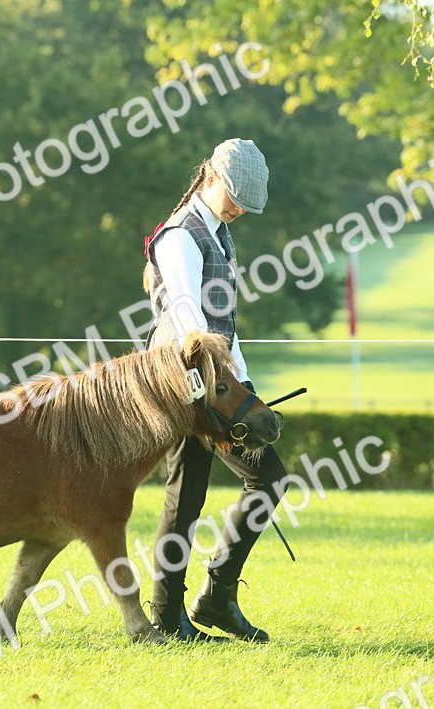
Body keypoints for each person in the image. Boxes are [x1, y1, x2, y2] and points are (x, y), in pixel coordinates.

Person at [141, 139, 286, 642]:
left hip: (218, 382)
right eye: (235, 195)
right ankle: (175, 611)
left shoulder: (219, 233)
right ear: (210, 175)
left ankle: (212, 598)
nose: (240, 207)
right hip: (184, 383)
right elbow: (187, 315)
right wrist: (212, 390)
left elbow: (226, 326)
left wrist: (243, 386)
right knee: (191, 497)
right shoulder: (180, 235)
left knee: (260, 481)